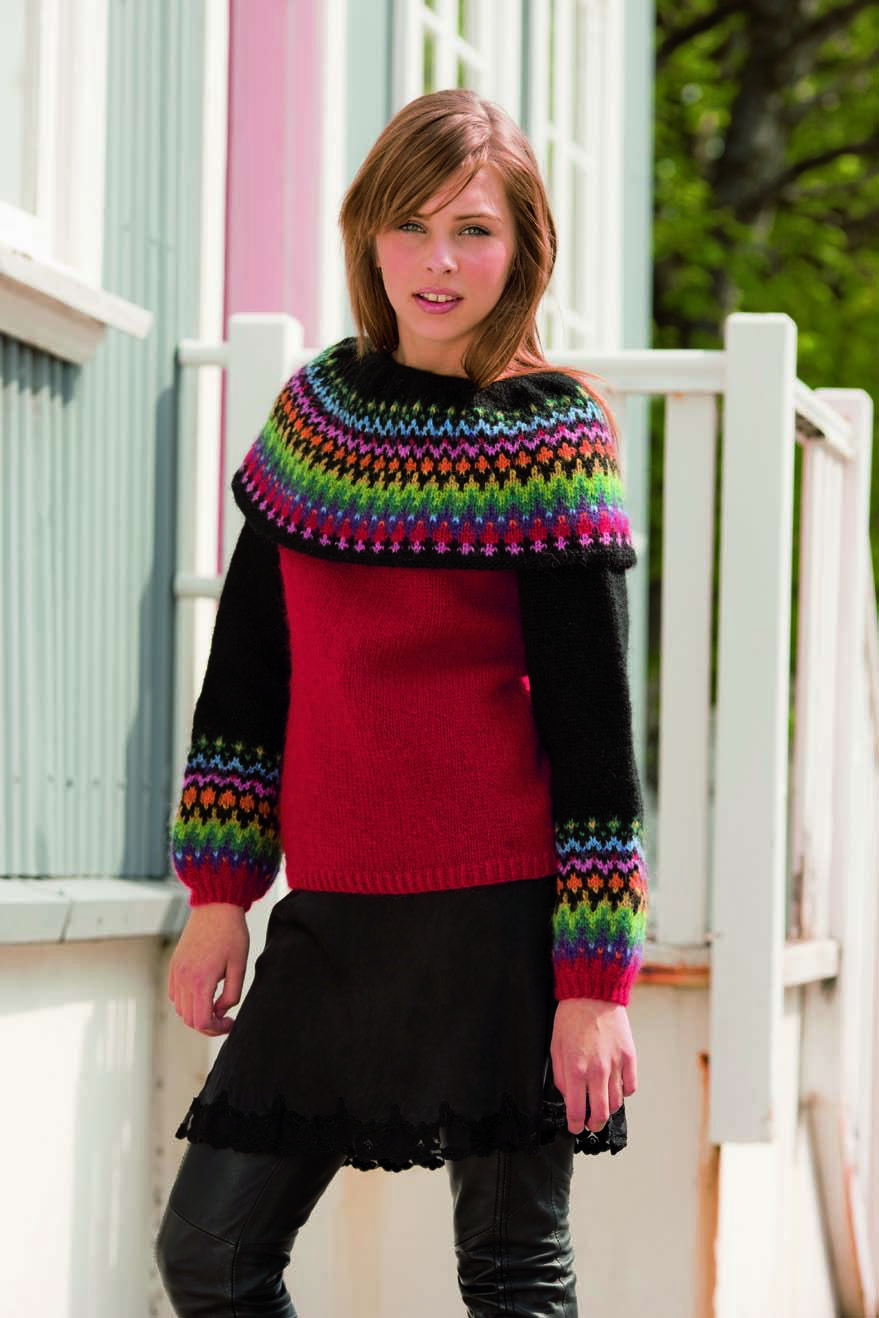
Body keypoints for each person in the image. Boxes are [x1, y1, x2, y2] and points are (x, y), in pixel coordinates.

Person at [154, 87, 649, 1317]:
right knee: (210, 1254)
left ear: (522, 249)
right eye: (412, 225)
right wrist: (218, 898)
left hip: (504, 924)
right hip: (331, 920)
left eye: (474, 230)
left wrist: (594, 980)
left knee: (512, 1274)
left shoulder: (549, 438)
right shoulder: (313, 420)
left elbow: (594, 731)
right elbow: (247, 678)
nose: (439, 261)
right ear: (368, 238)